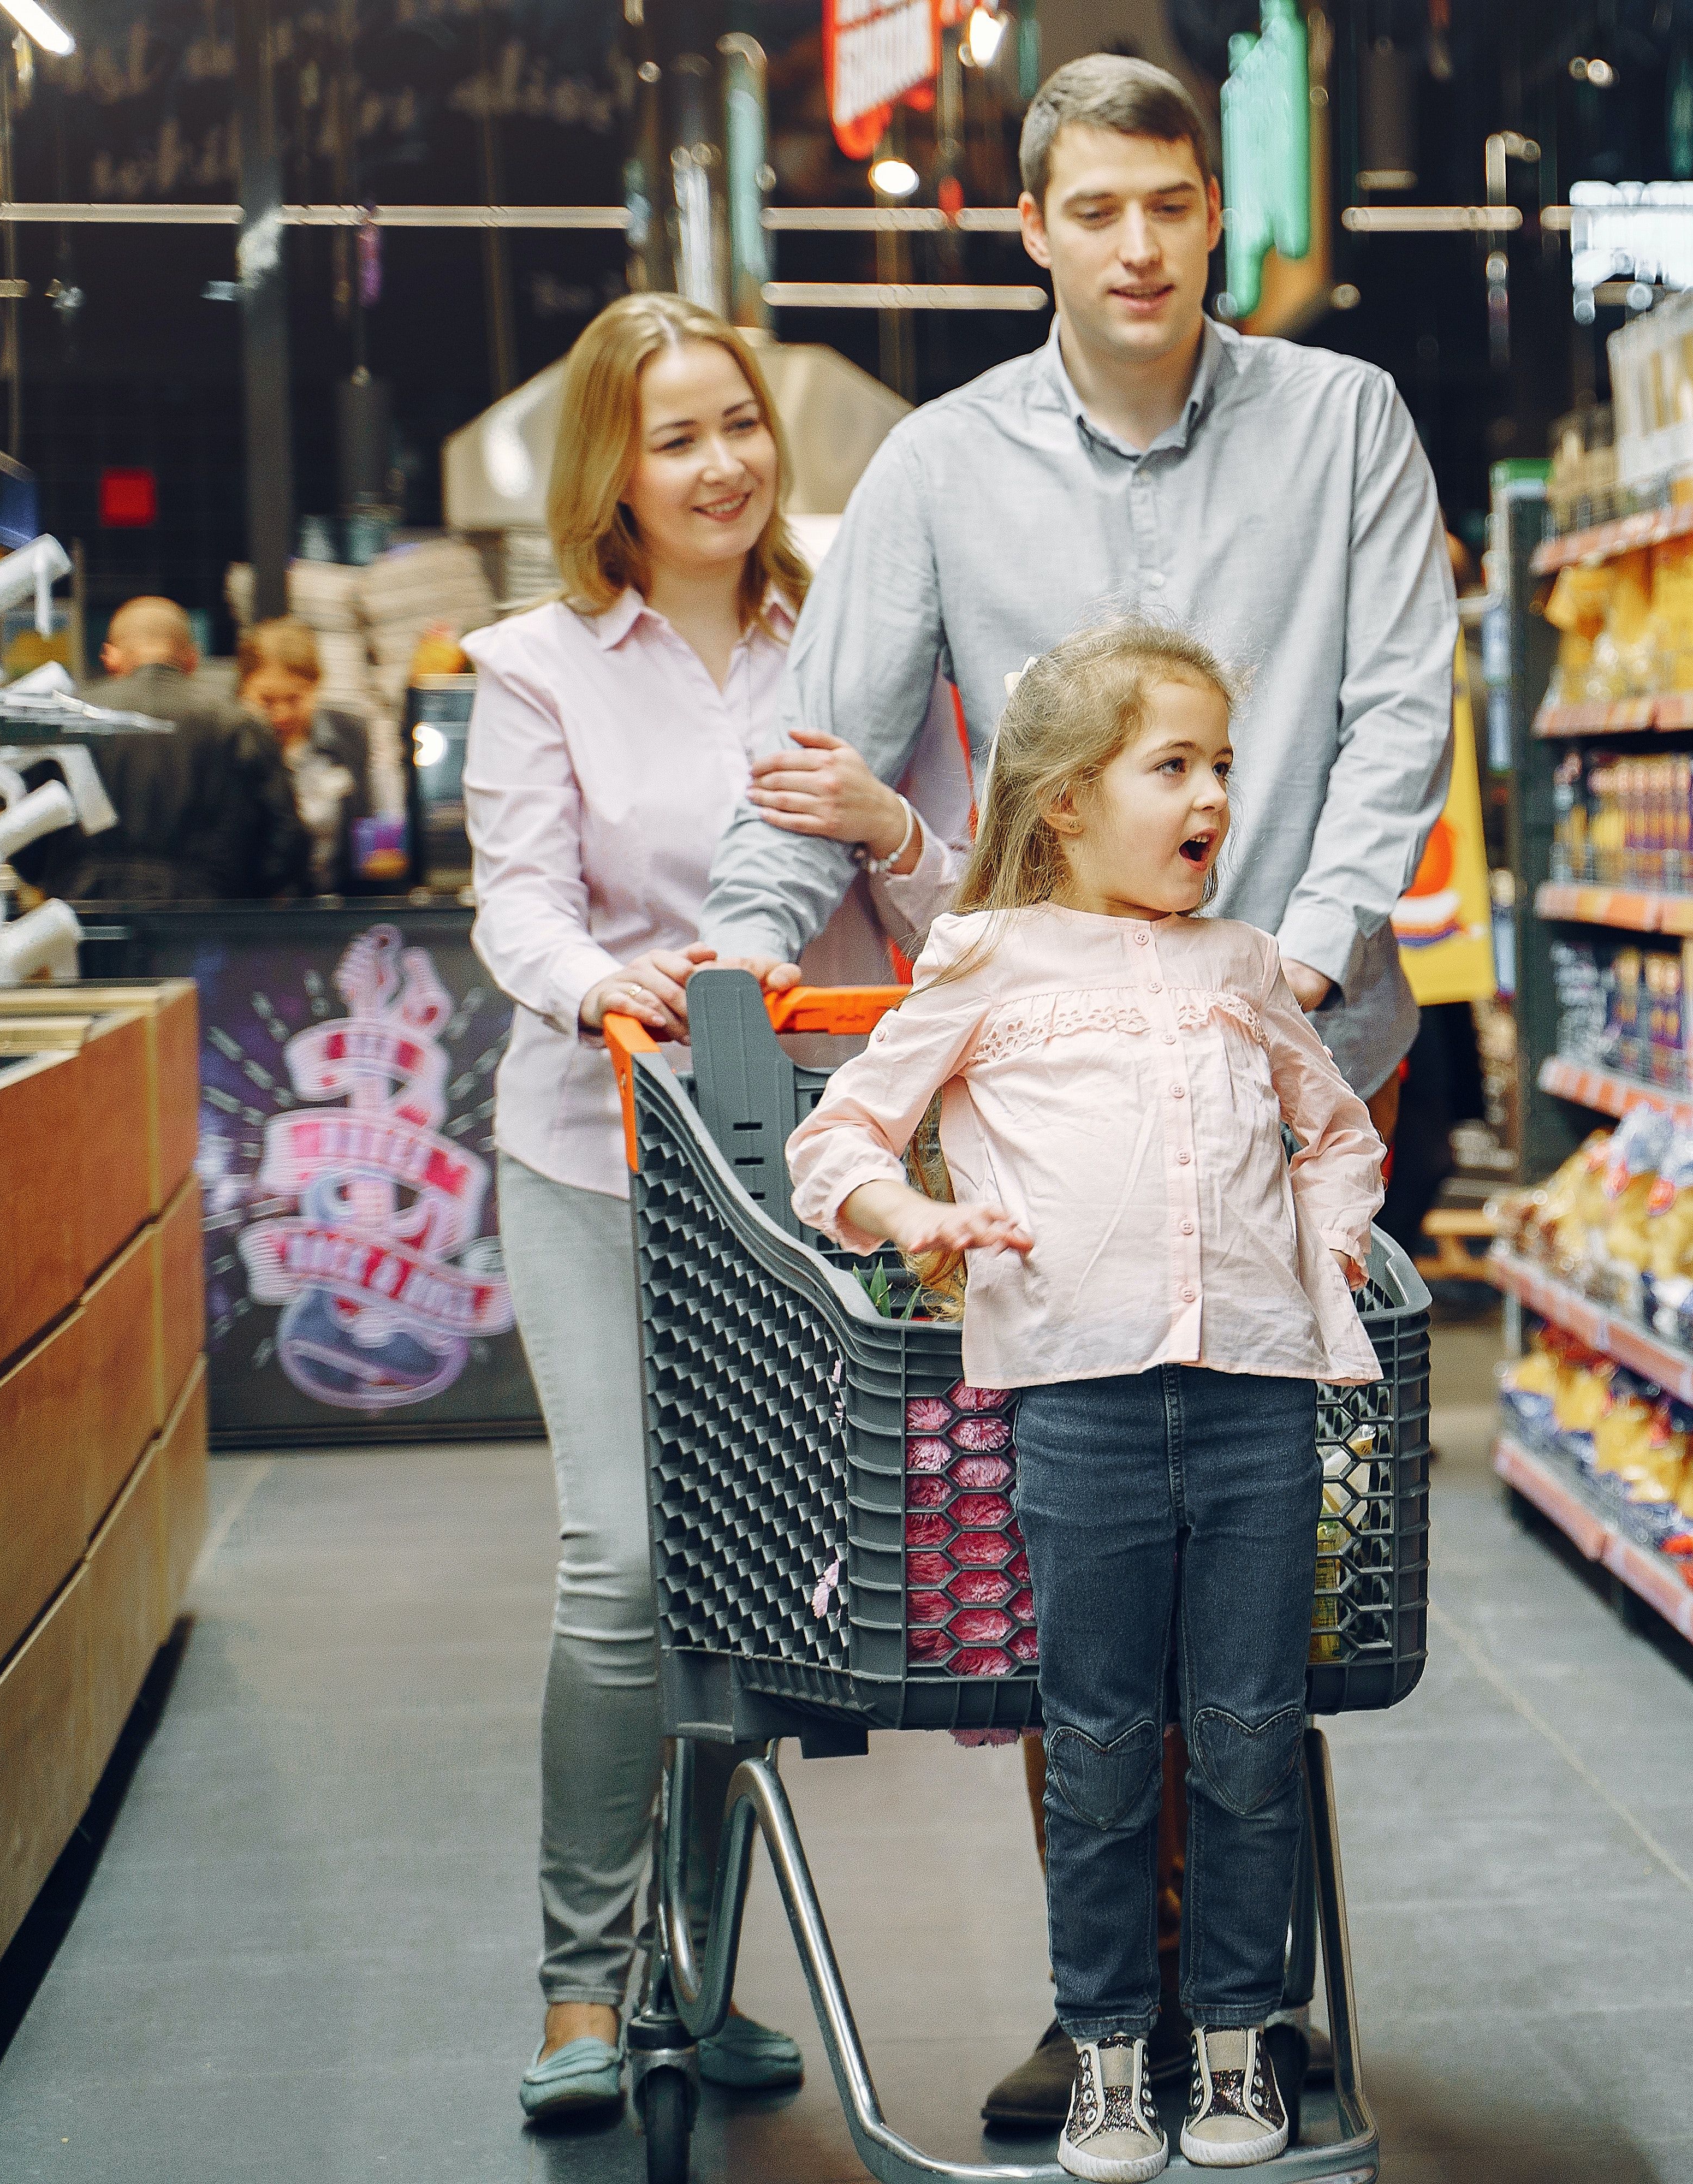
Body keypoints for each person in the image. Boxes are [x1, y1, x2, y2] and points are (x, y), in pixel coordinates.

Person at [647, 50, 1456, 2129]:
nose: (1133, 244)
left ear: (1211, 213)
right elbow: (826, 754)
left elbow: (1392, 709)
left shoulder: (1342, 422)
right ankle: (1115, 1999)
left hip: (1287, 1072)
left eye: (1166, 205)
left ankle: (1238, 1994)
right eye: (1091, 208)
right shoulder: (939, 463)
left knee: (1277, 1595)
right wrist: (734, 955)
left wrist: (1308, 936)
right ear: (1033, 227)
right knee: (1067, 1597)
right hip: (1053, 1106)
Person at [788, 620, 1387, 2183]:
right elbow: (839, 1139)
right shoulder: (987, 961)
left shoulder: (1246, 968)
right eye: (1172, 766)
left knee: (1252, 1737)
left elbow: (1336, 1136)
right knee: (1109, 1742)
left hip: (1259, 1400)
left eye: (1222, 769)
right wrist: (915, 1222)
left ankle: (1240, 2040)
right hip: (1077, 1404)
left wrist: (1317, 1256)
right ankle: (1112, 2056)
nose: (1212, 799)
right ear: (1064, 802)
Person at [464, 289, 969, 2129]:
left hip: (792, 1181)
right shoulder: (535, 665)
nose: (720, 462)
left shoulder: (859, 644)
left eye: (739, 422)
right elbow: (511, 899)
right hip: (599, 1155)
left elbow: (960, 917)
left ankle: (696, 1978)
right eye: (675, 434)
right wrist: (597, 979)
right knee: (624, 1559)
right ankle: (581, 1991)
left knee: (747, 1581)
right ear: (613, 462)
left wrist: (890, 822)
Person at [20, 596, 311, 901]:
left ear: (111, 658)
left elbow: (26, 843)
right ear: (192, 659)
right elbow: (285, 845)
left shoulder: (65, 721)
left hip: (87, 922)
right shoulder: (239, 725)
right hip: (207, 927)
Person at [235, 615, 359, 891]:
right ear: (243, 691)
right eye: (267, 701)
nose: (281, 714)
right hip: (257, 905)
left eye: (295, 699)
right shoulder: (228, 743)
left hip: (339, 901)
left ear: (317, 686)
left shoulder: (349, 734)